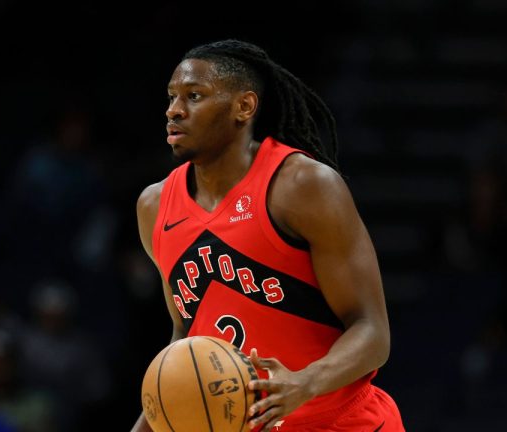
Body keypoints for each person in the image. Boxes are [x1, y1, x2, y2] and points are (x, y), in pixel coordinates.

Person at [133, 39, 404, 432]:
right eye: (172, 97)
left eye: (194, 96)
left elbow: (373, 332)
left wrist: (303, 383)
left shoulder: (301, 186)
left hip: (343, 422)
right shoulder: (154, 207)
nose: (174, 110)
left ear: (244, 107)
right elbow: (187, 335)